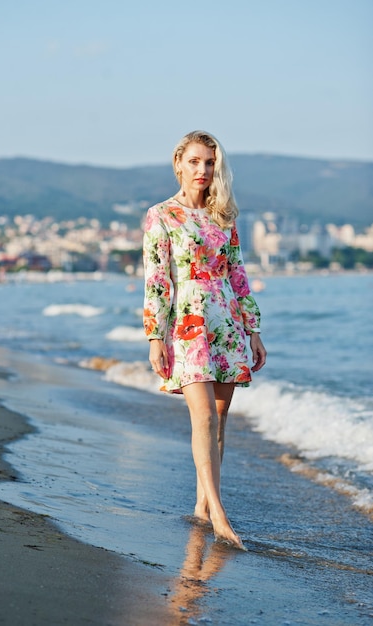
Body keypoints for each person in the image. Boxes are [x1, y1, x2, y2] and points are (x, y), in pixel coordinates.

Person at [143, 130, 266, 550]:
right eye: (194, 161)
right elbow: (157, 280)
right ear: (179, 163)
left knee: (220, 417)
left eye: (210, 163)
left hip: (227, 324)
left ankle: (200, 505)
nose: (202, 170)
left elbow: (238, 277)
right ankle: (219, 515)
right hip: (188, 324)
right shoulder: (161, 215)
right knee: (204, 418)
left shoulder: (223, 216)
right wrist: (155, 336)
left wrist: (253, 330)